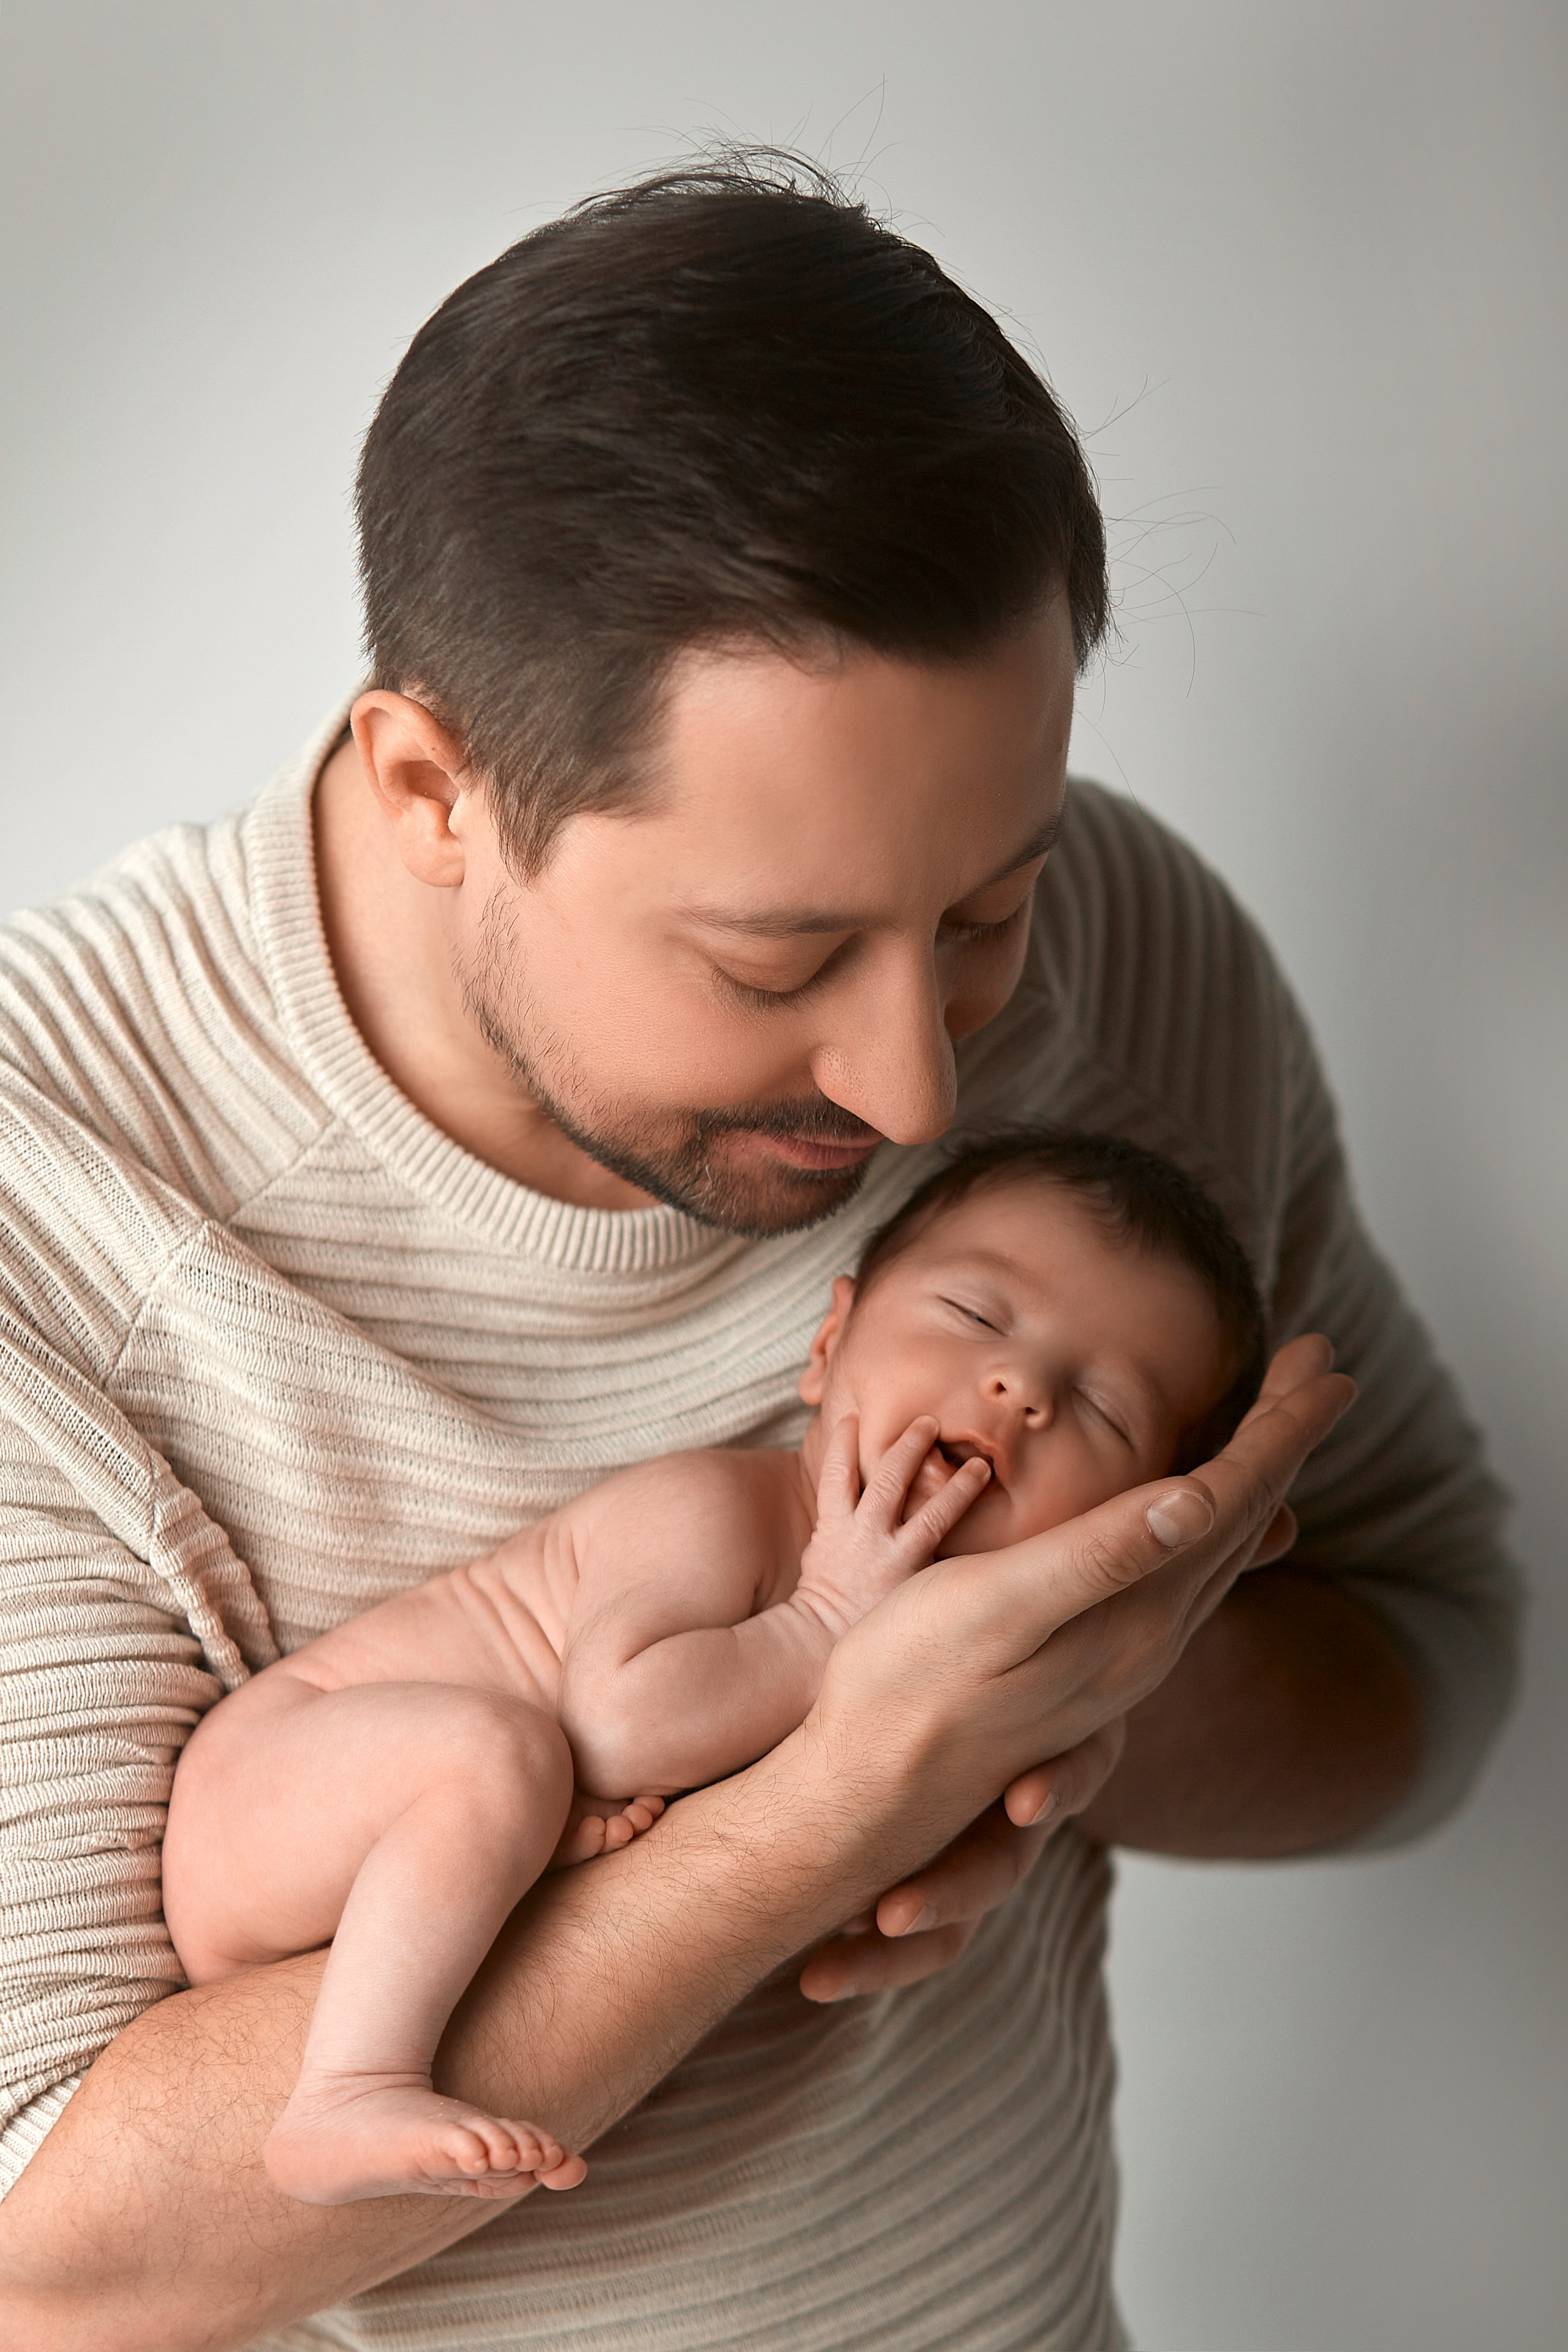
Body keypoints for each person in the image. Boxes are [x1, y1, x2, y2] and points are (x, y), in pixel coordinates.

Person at [0, 157, 1516, 2352]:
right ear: (434, 789)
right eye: (774, 955)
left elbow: (1437, 1672)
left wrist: (1095, 1694)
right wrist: (836, 1787)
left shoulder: (1129, 941)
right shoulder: (61, 1201)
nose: (921, 1092)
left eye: (982, 910)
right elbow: (48, 2250)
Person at [162, 1128, 1269, 2211]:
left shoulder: (942, 1662)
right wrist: (830, 1614)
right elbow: (623, 1726)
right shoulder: (716, 1513)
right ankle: (346, 2090)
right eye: (975, 1315)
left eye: (1105, 1409)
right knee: (498, 1752)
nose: (1019, 1386)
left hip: (382, 1880)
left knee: (501, 1774)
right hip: (280, 1783)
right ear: (829, 1346)